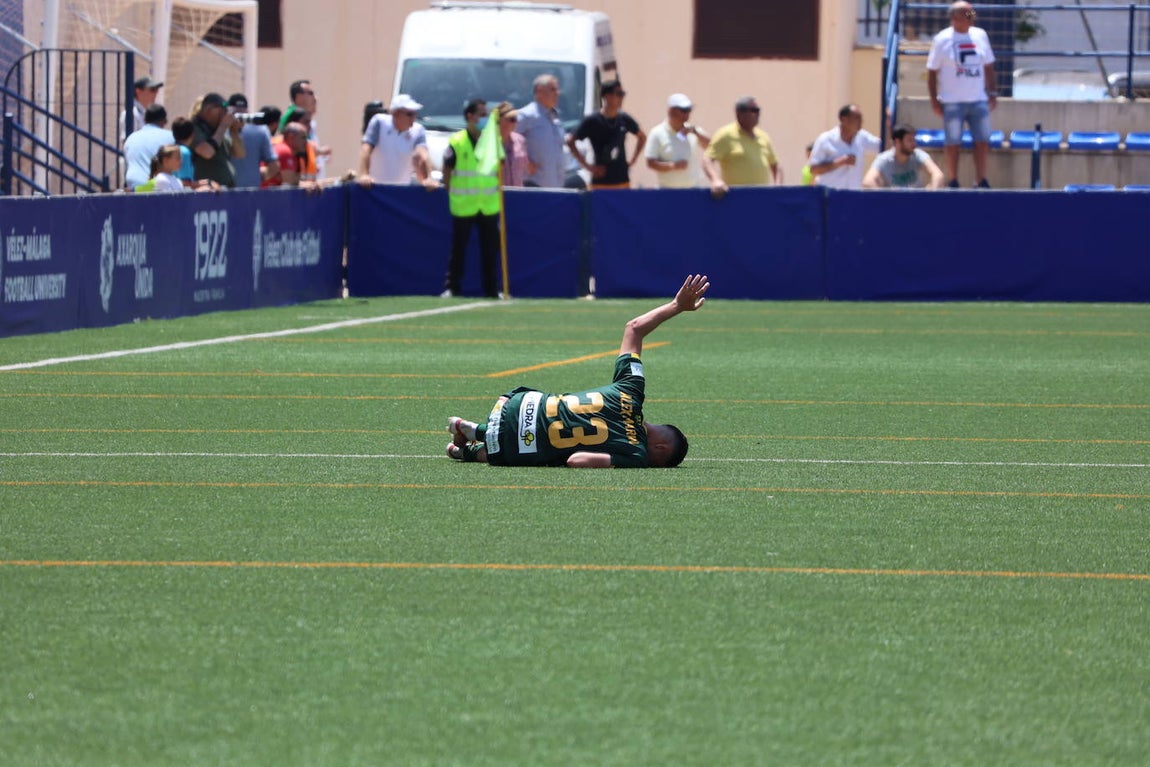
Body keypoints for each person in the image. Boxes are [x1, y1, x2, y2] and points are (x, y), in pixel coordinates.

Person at [445, 274, 710, 468]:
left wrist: (677, 306)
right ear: (660, 449)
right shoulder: (637, 453)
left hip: (514, 402)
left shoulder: (631, 390)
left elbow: (634, 328)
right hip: (513, 445)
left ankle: (477, 430)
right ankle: (469, 448)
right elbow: (576, 460)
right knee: (535, 451)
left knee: (538, 422)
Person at [926, 0, 998, 188]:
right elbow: (932, 71)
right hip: (952, 101)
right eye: (968, 14)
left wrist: (993, 92)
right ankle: (953, 180)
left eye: (972, 13)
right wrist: (934, 100)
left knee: (982, 141)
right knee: (953, 143)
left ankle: (981, 180)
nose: (972, 17)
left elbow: (988, 66)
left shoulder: (980, 35)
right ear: (955, 17)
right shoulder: (942, 39)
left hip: (978, 99)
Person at [441, 99, 502, 299]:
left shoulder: (492, 140)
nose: (484, 118)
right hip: (464, 205)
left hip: (488, 205)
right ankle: (452, 287)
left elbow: (500, 165)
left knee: (490, 250)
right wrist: (450, 189)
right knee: (458, 249)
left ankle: (492, 290)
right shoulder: (457, 141)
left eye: (486, 114)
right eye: (481, 114)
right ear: (470, 117)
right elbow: (448, 169)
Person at [567, 79, 646, 190]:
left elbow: (642, 137)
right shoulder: (593, 120)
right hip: (600, 182)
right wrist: (588, 167)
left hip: (622, 180)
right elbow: (570, 141)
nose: (622, 98)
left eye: (622, 94)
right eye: (618, 94)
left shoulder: (624, 118)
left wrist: (633, 160)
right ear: (607, 96)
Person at [704, 96, 779, 196]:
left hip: (762, 197)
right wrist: (715, 180)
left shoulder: (763, 136)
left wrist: (778, 187)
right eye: (753, 110)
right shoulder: (726, 135)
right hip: (735, 198)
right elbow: (707, 160)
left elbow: (775, 165)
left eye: (758, 111)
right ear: (739, 113)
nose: (757, 114)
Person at [357, 94, 432, 186]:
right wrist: (364, 175)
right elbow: (366, 149)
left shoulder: (418, 130)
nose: (413, 118)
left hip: (400, 192)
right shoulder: (379, 122)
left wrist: (428, 179)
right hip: (375, 189)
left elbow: (423, 155)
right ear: (395, 114)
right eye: (409, 114)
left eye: (415, 114)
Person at [808, 104, 882, 190]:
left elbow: (882, 147)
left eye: (861, 118)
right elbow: (813, 169)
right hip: (831, 196)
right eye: (856, 118)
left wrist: (887, 125)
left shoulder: (862, 137)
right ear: (843, 119)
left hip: (853, 196)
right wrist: (839, 163)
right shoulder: (825, 140)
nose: (861, 121)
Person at [644, 92, 710, 189]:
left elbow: (711, 147)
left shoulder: (692, 131)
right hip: (668, 192)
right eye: (684, 110)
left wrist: (696, 133)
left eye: (689, 110)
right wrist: (673, 166)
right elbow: (650, 163)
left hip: (693, 190)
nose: (687, 114)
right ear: (671, 111)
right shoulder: (657, 133)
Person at [515, 74, 567, 188]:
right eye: (553, 89)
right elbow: (510, 140)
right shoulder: (526, 115)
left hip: (556, 185)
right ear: (539, 91)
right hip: (534, 185)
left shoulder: (555, 117)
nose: (557, 93)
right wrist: (525, 162)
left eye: (557, 89)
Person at [863, 124, 946, 189]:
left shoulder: (918, 155)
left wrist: (931, 193)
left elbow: (938, 175)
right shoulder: (884, 159)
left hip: (916, 203)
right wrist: (884, 199)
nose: (914, 144)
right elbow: (868, 181)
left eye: (914, 140)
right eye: (910, 140)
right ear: (897, 142)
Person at [191, 92, 245, 188]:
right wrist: (223, 126)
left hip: (226, 191)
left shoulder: (218, 132)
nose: (224, 116)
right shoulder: (194, 128)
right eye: (221, 112)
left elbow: (240, 154)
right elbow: (207, 152)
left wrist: (234, 132)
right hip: (207, 192)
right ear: (208, 110)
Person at [278, 79, 332, 177]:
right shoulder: (292, 117)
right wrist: (319, 151)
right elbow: (295, 147)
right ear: (298, 97)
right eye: (310, 93)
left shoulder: (308, 121)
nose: (315, 99)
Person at [227, 93, 279, 189]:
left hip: (226, 192)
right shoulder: (261, 130)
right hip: (249, 192)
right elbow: (273, 166)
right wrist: (254, 178)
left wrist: (256, 178)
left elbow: (274, 166)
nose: (239, 118)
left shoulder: (221, 130)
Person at [123, 103, 173, 188]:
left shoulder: (131, 139)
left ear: (145, 120)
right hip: (160, 189)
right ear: (165, 121)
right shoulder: (172, 137)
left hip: (134, 188)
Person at [264, 122, 312, 187]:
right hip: (267, 194)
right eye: (303, 138)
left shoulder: (291, 153)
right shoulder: (285, 151)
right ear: (291, 137)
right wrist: (311, 183)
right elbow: (288, 181)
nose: (306, 142)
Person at [119, 75, 162, 145]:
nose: (156, 93)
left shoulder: (146, 113)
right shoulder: (131, 114)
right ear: (138, 91)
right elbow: (128, 143)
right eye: (152, 90)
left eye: (157, 90)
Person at [498, 103, 531, 187]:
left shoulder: (520, 140)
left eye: (516, 118)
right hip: (496, 196)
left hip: (517, 195)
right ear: (499, 120)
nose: (516, 122)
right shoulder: (487, 143)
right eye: (512, 119)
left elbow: (526, 169)